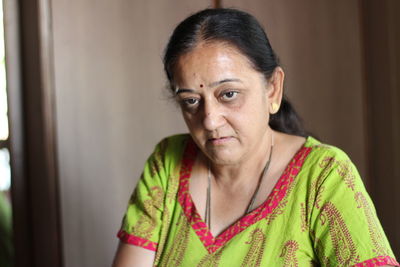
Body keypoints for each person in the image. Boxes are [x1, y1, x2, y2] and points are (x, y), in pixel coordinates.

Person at [113, 8, 399, 266]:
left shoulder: (323, 176)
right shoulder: (167, 164)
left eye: (228, 94)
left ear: (272, 89)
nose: (210, 120)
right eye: (191, 101)